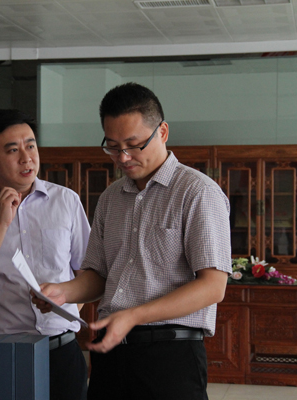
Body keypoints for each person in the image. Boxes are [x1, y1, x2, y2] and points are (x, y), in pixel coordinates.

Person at [33, 82, 232, 400]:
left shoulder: (197, 192)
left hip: (169, 357)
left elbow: (212, 287)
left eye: (134, 145)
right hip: (110, 355)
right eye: (113, 146)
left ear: (162, 132)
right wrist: (63, 292)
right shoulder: (111, 197)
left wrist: (133, 316)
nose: (123, 157)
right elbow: (98, 276)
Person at [0, 109, 90, 400]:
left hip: (61, 351)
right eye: (13, 150)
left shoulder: (66, 200)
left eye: (31, 146)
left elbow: (88, 273)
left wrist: (65, 300)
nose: (27, 158)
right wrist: (1, 224)